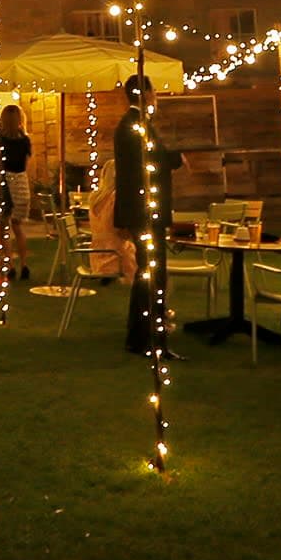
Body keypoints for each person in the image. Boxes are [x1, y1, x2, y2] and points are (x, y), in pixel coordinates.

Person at [115, 75, 172, 358]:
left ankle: (143, 333)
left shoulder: (135, 124)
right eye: (153, 91)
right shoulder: (135, 126)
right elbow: (149, 162)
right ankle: (147, 336)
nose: (156, 96)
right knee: (152, 273)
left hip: (144, 211)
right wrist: (173, 160)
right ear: (146, 93)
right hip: (145, 211)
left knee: (149, 272)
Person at [0, 103, 32, 284]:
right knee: (18, 227)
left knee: (4, 227)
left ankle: (10, 264)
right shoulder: (25, 140)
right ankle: (24, 263)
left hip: (6, 182)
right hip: (21, 182)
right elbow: (27, 162)